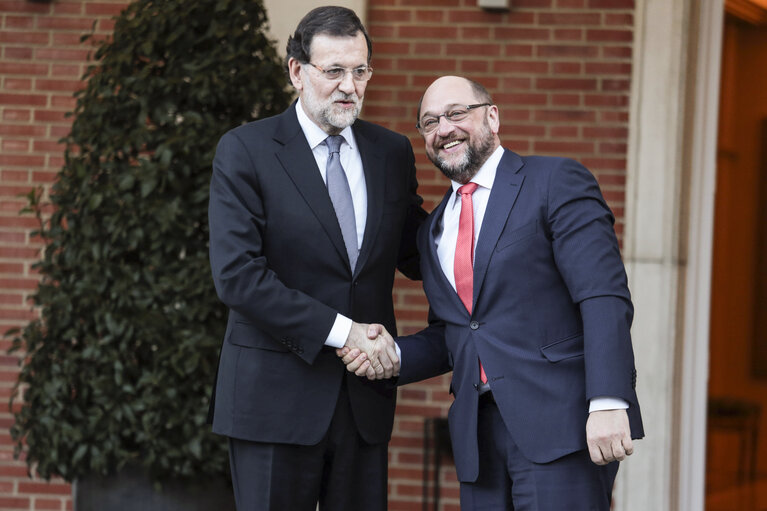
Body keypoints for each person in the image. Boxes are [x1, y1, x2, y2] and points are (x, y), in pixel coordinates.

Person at [340, 76, 644, 510]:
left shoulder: (554, 180)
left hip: (560, 428)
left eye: (456, 113)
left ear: (493, 116)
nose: (443, 128)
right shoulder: (433, 231)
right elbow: (456, 332)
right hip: (477, 443)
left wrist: (610, 401)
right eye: (429, 122)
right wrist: (391, 357)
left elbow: (604, 297)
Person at [206, 6, 427, 510]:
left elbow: (419, 252)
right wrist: (344, 331)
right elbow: (239, 277)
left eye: (360, 70)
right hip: (273, 402)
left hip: (363, 405)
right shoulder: (246, 150)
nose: (349, 86)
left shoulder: (391, 152)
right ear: (296, 71)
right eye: (334, 71)